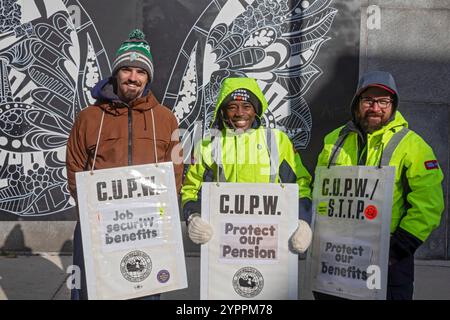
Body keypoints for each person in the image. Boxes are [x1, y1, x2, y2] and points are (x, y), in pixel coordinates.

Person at [66, 29, 183, 300]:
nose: (133, 77)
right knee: (90, 293)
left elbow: (175, 169)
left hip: (147, 225)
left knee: (144, 290)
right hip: (97, 223)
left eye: (141, 72)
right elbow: (75, 166)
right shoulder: (89, 117)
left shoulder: (167, 119)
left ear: (148, 77)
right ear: (116, 73)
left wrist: (162, 213)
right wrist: (89, 209)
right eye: (127, 70)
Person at [314, 71, 444, 300]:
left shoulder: (413, 145)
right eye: (368, 100)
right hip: (337, 253)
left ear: (393, 106)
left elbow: (429, 203)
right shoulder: (333, 139)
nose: (376, 107)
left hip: (389, 257)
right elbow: (320, 190)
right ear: (357, 104)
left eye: (384, 101)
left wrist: (400, 247)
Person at [181, 77, 313, 254]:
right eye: (232, 106)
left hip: (270, 242)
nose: (239, 113)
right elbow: (191, 189)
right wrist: (193, 217)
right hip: (222, 244)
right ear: (222, 111)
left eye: (247, 106)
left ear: (256, 110)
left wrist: (302, 220)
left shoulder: (277, 141)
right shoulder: (208, 144)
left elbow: (299, 185)